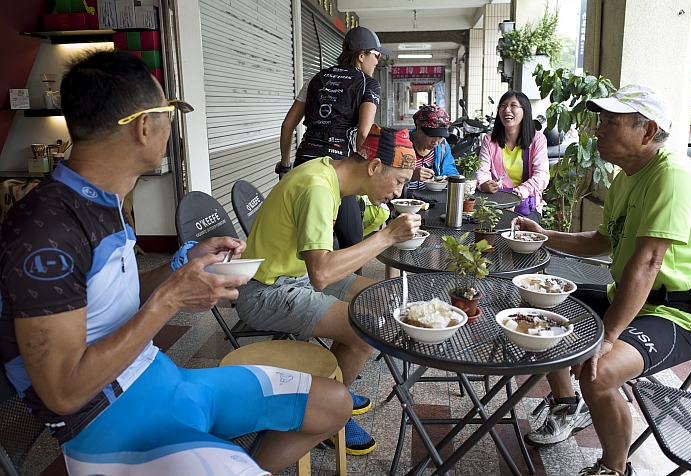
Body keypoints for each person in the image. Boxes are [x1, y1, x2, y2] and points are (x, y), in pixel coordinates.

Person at [0, 50, 351, 476]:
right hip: (104, 421)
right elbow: (63, 392)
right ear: (145, 127)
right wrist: (169, 300)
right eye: (169, 113)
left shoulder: (102, 201)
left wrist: (180, 270)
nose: (172, 126)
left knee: (334, 404)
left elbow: (108, 298)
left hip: (161, 378)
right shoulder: (47, 229)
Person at [515, 85, 691, 476]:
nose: (597, 132)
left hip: (677, 311)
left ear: (647, 130)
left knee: (598, 371)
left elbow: (649, 262)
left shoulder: (671, 173)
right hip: (627, 294)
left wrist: (606, 337)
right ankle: (567, 404)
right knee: (539, 304)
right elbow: (603, 240)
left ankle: (614, 467)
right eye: (600, 121)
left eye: (610, 123)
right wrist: (542, 234)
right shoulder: (626, 175)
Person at [235, 124, 422, 455]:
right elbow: (321, 274)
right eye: (399, 181)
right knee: (366, 330)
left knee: (384, 297)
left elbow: (318, 266)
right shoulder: (319, 189)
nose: (397, 192)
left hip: (295, 273)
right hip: (265, 290)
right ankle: (330, 415)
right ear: (374, 166)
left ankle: (335, 388)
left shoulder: (327, 171)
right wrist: (387, 237)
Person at [278, 26, 389, 250]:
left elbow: (288, 125)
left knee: (302, 236)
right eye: (376, 55)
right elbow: (363, 136)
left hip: (304, 163)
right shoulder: (369, 84)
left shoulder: (315, 79)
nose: (377, 61)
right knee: (352, 240)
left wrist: (285, 165)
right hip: (336, 169)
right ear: (361, 56)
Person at [476, 90, 549, 223]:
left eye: (513, 105)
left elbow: (542, 176)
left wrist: (516, 194)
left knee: (519, 234)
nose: (507, 110)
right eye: (503, 106)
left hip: (527, 206)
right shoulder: (489, 140)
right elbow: (482, 170)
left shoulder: (538, 140)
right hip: (496, 205)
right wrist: (484, 184)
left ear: (524, 112)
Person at [407, 105, 459, 191]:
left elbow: (449, 169)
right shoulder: (401, 143)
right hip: (403, 199)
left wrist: (450, 178)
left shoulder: (443, 146)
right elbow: (387, 176)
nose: (436, 142)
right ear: (419, 128)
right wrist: (410, 174)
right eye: (431, 136)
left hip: (432, 198)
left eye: (440, 137)